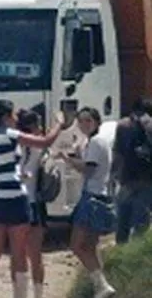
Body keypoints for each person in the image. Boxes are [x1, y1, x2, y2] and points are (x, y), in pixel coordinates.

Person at [0, 100, 63, 298]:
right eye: (13, 115)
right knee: (19, 252)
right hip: (15, 197)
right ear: (5, 117)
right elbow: (45, 142)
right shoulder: (9, 135)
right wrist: (59, 123)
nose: (16, 119)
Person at [59, 108, 116, 298]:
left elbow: (89, 169)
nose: (84, 124)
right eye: (81, 121)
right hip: (99, 195)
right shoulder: (95, 142)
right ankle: (99, 284)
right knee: (91, 245)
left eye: (88, 121)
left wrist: (68, 160)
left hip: (91, 197)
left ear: (96, 121)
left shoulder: (97, 142)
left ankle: (102, 285)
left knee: (77, 244)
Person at [111, 97, 152, 244]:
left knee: (123, 222)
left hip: (126, 179)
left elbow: (117, 154)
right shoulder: (150, 125)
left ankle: (121, 255)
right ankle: (136, 259)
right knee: (141, 223)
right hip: (147, 180)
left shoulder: (122, 125)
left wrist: (113, 176)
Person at [16, 110, 47, 298]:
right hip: (34, 203)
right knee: (36, 255)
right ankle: (38, 294)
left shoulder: (14, 146)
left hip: (18, 202)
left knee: (19, 255)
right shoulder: (39, 146)